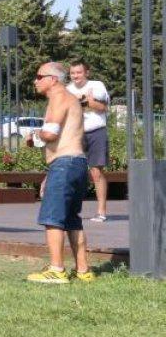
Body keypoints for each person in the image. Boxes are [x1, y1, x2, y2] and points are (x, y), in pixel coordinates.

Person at [28, 62, 94, 283]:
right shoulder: (71, 98)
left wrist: (34, 135)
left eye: (39, 76)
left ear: (53, 79)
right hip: (76, 163)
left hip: (65, 163)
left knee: (52, 218)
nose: (35, 81)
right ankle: (83, 271)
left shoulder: (58, 97)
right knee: (72, 219)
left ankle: (56, 269)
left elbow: (50, 133)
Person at [65, 61, 111, 222]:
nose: (76, 76)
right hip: (75, 133)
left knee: (96, 172)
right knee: (70, 169)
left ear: (87, 73)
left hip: (96, 132)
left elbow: (102, 107)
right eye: (72, 73)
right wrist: (86, 101)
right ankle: (69, 209)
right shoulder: (68, 89)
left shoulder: (97, 85)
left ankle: (101, 211)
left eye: (79, 72)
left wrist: (83, 101)